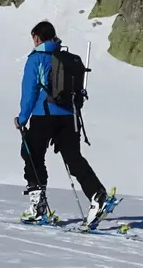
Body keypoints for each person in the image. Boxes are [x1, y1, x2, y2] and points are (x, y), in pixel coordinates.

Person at [16, 20, 113, 228]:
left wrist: (22, 118)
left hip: (44, 115)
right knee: (73, 158)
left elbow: (30, 91)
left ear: (36, 37)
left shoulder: (37, 59)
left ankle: (37, 207)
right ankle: (97, 194)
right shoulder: (66, 58)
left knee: (31, 154)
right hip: (69, 116)